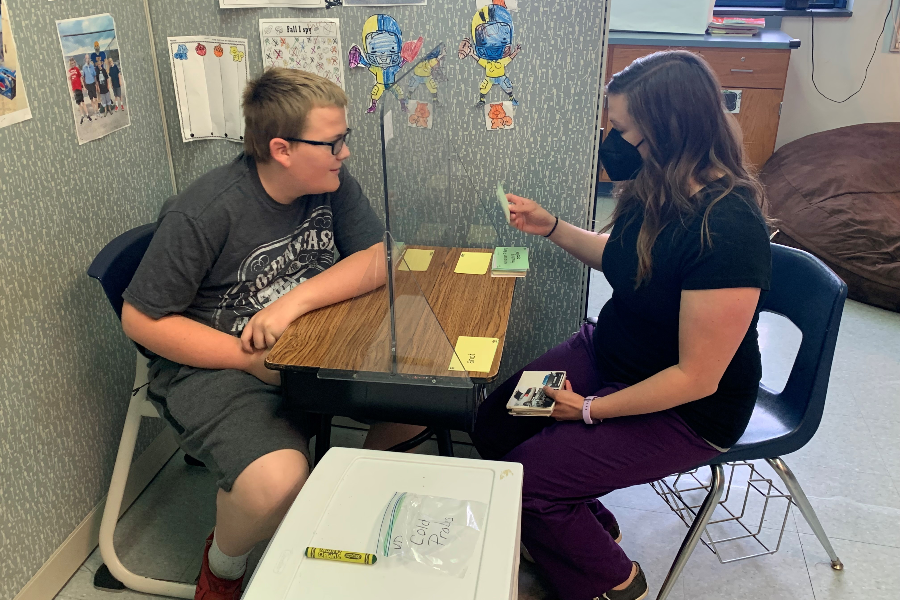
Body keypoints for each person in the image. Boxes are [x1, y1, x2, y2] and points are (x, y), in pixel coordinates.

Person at [471, 50, 773, 600]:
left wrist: (587, 410)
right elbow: (626, 258)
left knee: (528, 484)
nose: (614, 141)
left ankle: (616, 582)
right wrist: (553, 227)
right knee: (496, 425)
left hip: (687, 409)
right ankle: (579, 525)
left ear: (670, 129)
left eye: (625, 129)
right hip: (611, 353)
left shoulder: (729, 227)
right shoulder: (658, 185)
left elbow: (696, 378)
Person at [121, 68, 425, 600]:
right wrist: (244, 361)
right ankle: (223, 566)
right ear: (282, 149)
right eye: (333, 142)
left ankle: (335, 516)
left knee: (417, 398)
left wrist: (292, 302)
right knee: (277, 483)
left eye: (346, 139)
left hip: (308, 344)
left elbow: (381, 258)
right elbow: (141, 321)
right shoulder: (206, 211)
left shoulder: (328, 183)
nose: (345, 153)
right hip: (219, 363)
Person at [66, 57, 91, 124]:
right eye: (71, 63)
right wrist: (71, 91)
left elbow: (80, 78)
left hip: (79, 88)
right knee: (79, 103)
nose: (73, 64)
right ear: (70, 64)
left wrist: (83, 86)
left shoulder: (77, 69)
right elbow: (69, 80)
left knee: (83, 102)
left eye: (74, 63)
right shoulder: (69, 71)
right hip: (74, 89)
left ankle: (87, 114)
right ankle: (82, 115)